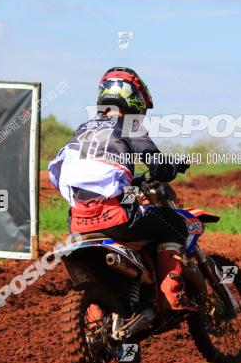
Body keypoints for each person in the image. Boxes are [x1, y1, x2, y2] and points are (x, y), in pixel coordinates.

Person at [48, 67, 197, 311]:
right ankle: (170, 293)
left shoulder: (83, 129)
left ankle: (102, 312)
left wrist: (131, 186)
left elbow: (59, 171)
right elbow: (158, 169)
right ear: (134, 98)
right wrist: (170, 169)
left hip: (77, 224)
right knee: (174, 222)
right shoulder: (131, 126)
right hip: (116, 219)